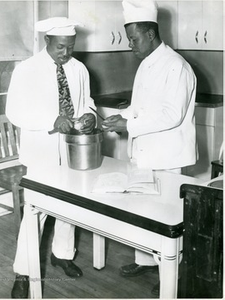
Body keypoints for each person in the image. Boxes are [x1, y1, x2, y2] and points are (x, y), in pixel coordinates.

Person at [102, 0, 197, 295]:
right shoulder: (146, 64)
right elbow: (141, 107)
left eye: (134, 39)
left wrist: (128, 126)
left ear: (151, 35)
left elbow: (172, 115)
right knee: (144, 210)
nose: (130, 45)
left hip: (167, 154)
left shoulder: (176, 67)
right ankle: (146, 260)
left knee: (168, 216)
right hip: (146, 151)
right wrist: (125, 115)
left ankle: (173, 269)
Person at [6, 17, 96, 298]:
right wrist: (50, 120)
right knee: (37, 212)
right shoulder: (26, 70)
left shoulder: (79, 69)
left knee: (69, 206)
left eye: (70, 47)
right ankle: (23, 272)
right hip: (41, 151)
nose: (66, 53)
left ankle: (62, 254)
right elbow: (14, 112)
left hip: (72, 150)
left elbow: (87, 102)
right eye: (60, 47)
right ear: (46, 41)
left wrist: (91, 115)